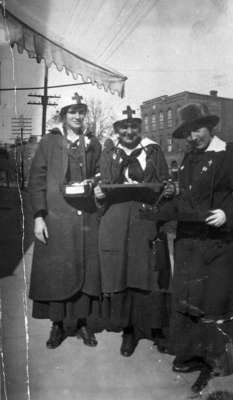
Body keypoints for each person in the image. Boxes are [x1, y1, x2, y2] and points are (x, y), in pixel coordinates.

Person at [141, 103, 233, 394]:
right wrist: (156, 209)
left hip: (219, 242)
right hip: (189, 241)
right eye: (186, 133)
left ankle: (217, 357)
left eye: (197, 129)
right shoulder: (189, 158)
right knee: (188, 296)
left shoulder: (228, 154)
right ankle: (192, 353)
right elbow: (183, 199)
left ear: (210, 126)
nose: (191, 136)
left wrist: (229, 214)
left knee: (215, 298)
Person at [95, 106, 172, 357]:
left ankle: (156, 328)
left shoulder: (153, 151)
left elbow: (164, 182)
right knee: (123, 273)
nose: (129, 131)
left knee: (152, 272)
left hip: (146, 218)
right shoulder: (109, 153)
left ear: (140, 128)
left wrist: (168, 191)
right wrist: (98, 192)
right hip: (117, 219)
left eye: (133, 126)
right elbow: (103, 185)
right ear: (117, 130)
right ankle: (128, 331)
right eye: (124, 127)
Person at [28, 97, 102, 349]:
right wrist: (39, 216)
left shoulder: (92, 143)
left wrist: (96, 183)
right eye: (73, 112)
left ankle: (82, 324)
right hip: (57, 217)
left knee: (84, 269)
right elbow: (37, 179)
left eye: (82, 112)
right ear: (64, 115)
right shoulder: (50, 142)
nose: (78, 117)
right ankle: (57, 326)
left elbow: (100, 173)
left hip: (85, 217)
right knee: (57, 271)